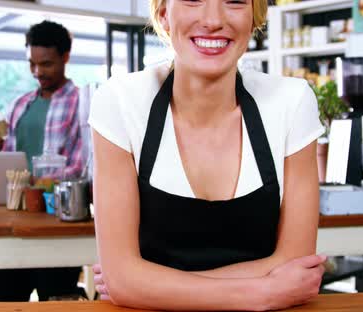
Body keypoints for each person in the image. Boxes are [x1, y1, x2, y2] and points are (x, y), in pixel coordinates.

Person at [88, 0, 327, 310]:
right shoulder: (121, 101)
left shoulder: (292, 102)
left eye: (235, 2)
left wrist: (145, 284)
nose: (213, 19)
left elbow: (295, 260)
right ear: (164, 15)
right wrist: (263, 293)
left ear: (254, 19)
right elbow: (123, 280)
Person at [0, 20, 85, 302]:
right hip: (15, 223)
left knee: (56, 301)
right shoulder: (20, 104)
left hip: (56, 226)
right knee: (0, 302)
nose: (38, 72)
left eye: (47, 64)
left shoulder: (82, 103)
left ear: (65, 57)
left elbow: (80, 167)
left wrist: (42, 183)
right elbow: (10, 163)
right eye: (32, 64)